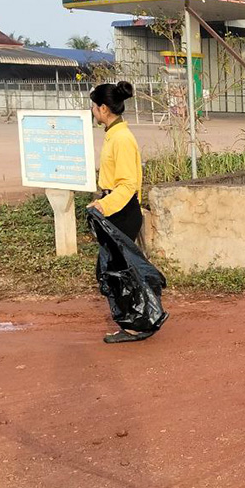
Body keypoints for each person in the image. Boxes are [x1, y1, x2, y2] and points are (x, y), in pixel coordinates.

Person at [87, 81, 155, 343]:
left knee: (118, 273)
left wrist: (104, 205)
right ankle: (139, 320)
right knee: (116, 271)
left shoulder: (122, 139)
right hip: (117, 210)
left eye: (94, 106)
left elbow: (127, 185)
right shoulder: (114, 134)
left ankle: (136, 325)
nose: (93, 111)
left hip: (123, 212)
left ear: (104, 108)